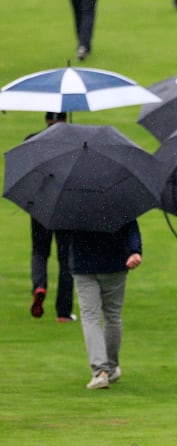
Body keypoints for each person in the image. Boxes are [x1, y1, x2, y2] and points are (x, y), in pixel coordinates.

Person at [65, 219, 143, 389]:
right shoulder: (119, 197)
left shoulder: (73, 200)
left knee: (90, 316)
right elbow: (131, 226)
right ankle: (110, 368)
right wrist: (135, 250)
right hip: (114, 262)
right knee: (112, 316)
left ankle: (101, 371)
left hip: (83, 262)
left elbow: (64, 231)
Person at [27, 112, 75, 322]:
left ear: (46, 119)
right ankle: (63, 312)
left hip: (39, 205)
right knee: (66, 259)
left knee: (39, 251)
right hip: (65, 207)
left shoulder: (31, 141)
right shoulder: (74, 143)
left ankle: (39, 286)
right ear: (65, 119)